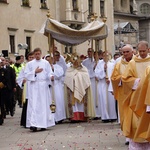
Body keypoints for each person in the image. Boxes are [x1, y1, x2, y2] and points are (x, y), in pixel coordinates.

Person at [121, 41, 150, 149]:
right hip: (137, 96)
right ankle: (138, 142)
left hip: (148, 97)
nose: (142, 53)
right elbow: (125, 78)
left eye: (144, 51)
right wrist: (138, 81)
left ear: (148, 50)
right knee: (136, 121)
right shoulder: (133, 63)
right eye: (140, 51)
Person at [24, 48, 55, 131]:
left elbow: (49, 72)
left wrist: (51, 77)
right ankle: (33, 124)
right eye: (36, 54)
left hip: (43, 86)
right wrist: (34, 72)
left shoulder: (45, 63)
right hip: (34, 86)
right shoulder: (30, 64)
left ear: (41, 54)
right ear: (34, 55)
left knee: (43, 104)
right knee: (34, 105)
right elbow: (26, 75)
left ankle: (43, 123)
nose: (37, 55)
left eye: (38, 54)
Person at [111, 44, 134, 145]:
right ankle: (128, 137)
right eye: (123, 52)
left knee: (135, 115)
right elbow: (114, 78)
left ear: (132, 52)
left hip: (135, 93)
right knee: (125, 115)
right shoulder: (119, 64)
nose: (125, 54)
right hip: (123, 94)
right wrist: (123, 78)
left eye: (127, 52)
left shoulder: (136, 62)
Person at [64, 53, 95, 122]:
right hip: (72, 88)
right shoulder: (69, 69)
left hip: (82, 88)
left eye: (77, 62)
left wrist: (78, 77)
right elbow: (67, 78)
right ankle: (74, 117)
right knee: (74, 104)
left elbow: (86, 77)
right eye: (74, 62)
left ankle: (83, 116)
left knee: (81, 104)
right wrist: (74, 78)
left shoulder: (84, 69)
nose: (75, 63)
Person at [95, 51, 117, 123]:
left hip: (110, 84)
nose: (106, 57)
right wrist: (104, 70)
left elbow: (115, 74)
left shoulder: (112, 64)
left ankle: (112, 116)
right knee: (103, 100)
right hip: (102, 84)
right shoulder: (99, 64)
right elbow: (96, 74)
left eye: (107, 56)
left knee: (111, 100)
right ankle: (105, 117)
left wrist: (110, 79)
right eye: (104, 56)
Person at [17, 52, 34, 128]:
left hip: (36, 87)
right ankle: (26, 121)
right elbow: (19, 78)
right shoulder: (24, 67)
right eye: (30, 57)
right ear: (27, 58)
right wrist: (22, 81)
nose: (31, 59)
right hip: (27, 88)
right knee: (27, 104)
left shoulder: (38, 66)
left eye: (32, 57)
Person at [47, 53, 66, 124]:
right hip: (50, 87)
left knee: (58, 101)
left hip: (57, 86)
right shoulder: (46, 66)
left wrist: (53, 69)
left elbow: (60, 74)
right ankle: (52, 117)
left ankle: (59, 117)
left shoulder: (58, 67)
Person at [82, 48, 101, 119]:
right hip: (88, 80)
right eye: (88, 51)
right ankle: (91, 113)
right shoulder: (84, 62)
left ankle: (98, 113)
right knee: (90, 96)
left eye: (91, 51)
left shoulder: (97, 61)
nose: (89, 53)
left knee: (96, 96)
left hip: (95, 80)